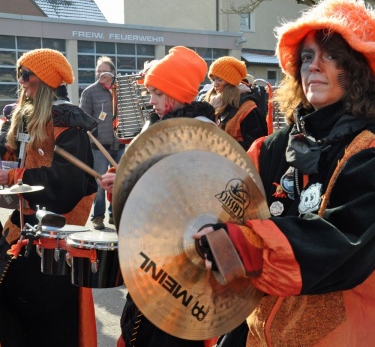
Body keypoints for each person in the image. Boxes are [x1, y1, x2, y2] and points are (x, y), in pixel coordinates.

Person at [193, 0, 375, 346]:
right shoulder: (270, 148)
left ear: (357, 70)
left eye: (331, 56)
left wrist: (243, 245)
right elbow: (224, 211)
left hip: (350, 335)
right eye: (307, 56)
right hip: (262, 332)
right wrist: (155, 190)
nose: (313, 65)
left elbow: (346, 246)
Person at [99, 46, 218, 347]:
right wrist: (123, 184)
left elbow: (194, 200)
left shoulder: (199, 134)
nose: (150, 100)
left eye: (156, 92)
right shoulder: (161, 125)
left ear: (176, 94)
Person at [0, 48, 98, 347]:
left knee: (48, 322)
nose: (22, 82)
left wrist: (15, 177)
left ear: (44, 80)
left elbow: (66, 185)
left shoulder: (70, 127)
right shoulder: (26, 119)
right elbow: (10, 155)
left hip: (56, 236)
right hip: (23, 224)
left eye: (26, 75)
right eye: (20, 75)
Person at [80, 56, 125, 230]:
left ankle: (115, 214)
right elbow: (84, 119)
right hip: (99, 146)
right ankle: (98, 216)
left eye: (104, 71)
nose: (100, 74)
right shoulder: (89, 92)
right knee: (100, 183)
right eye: (98, 71)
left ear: (113, 73)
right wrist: (94, 134)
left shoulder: (120, 90)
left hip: (120, 144)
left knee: (119, 182)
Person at [202, 56, 268, 149]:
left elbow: (255, 146)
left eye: (219, 80)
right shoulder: (213, 102)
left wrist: (222, 147)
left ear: (231, 83)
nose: (215, 84)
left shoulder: (247, 108)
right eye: (213, 79)